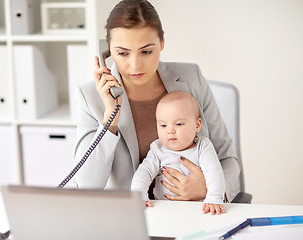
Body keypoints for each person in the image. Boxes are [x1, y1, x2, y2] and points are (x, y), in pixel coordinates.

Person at [74, 0, 240, 202]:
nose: (135, 65)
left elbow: (227, 159)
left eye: (146, 51)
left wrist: (209, 190)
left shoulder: (192, 77)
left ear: (162, 42)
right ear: (107, 49)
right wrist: (110, 118)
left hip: (194, 212)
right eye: (123, 53)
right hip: (132, 220)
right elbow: (86, 187)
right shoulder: (90, 97)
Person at [131, 90, 225, 215]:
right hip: (164, 210)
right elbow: (144, 172)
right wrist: (139, 195)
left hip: (199, 209)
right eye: (163, 125)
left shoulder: (202, 146)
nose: (170, 131)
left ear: (197, 125)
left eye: (179, 124)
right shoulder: (157, 149)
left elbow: (214, 172)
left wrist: (214, 197)